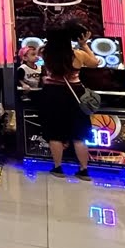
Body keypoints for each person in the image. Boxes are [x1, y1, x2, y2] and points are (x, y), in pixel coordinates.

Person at [39, 30, 92, 178]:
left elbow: (40, 50)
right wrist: (84, 45)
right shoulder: (78, 54)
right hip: (76, 95)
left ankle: (58, 168)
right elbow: (95, 63)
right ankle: (84, 170)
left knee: (55, 133)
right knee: (79, 135)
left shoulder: (46, 54)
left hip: (53, 94)